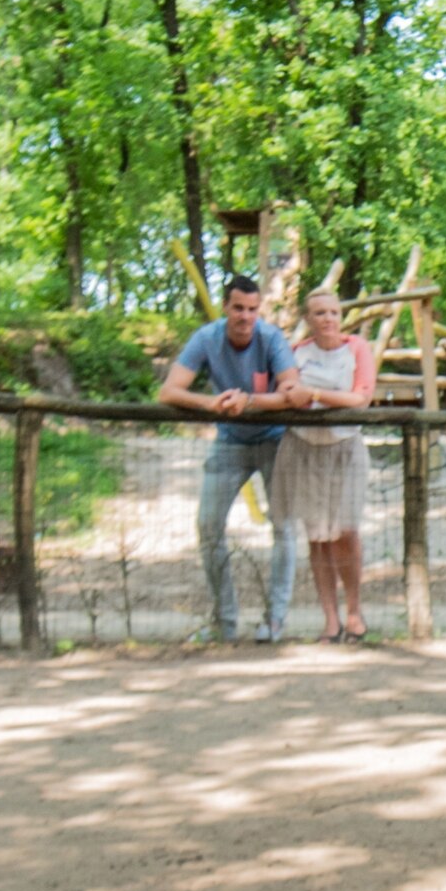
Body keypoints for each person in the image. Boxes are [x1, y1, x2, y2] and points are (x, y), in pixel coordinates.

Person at [159, 274, 299, 643]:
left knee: (284, 528)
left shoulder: (272, 338)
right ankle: (225, 620)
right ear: (225, 307)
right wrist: (210, 403)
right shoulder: (206, 338)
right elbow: (169, 390)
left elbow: (293, 391)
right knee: (207, 527)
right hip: (229, 441)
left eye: (253, 309)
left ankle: (275, 620)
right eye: (238, 308)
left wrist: (250, 401)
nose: (245, 316)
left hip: (275, 441)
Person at [268, 287, 378, 642]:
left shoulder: (357, 348)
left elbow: (361, 397)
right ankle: (330, 620)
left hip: (345, 448)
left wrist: (315, 395)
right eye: (319, 313)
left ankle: (355, 612)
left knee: (346, 531)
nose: (327, 319)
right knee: (317, 537)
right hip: (304, 449)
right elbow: (287, 393)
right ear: (307, 319)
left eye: (333, 312)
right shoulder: (296, 353)